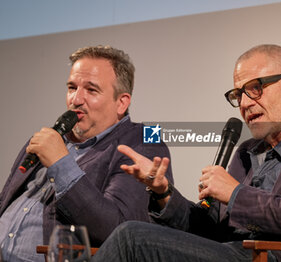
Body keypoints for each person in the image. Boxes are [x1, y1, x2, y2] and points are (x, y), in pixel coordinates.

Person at [91, 44, 281, 262]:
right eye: (238, 94)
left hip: (271, 257)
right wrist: (164, 192)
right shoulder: (247, 152)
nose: (246, 103)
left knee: (130, 238)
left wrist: (236, 194)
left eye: (256, 87)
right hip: (229, 252)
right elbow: (208, 229)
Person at [0, 45, 173, 262]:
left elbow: (118, 230)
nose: (76, 99)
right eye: (72, 88)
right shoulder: (50, 139)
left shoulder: (143, 139)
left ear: (122, 102)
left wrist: (61, 164)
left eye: (91, 90)